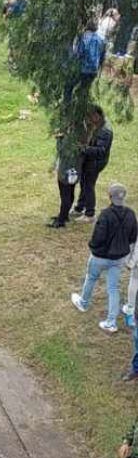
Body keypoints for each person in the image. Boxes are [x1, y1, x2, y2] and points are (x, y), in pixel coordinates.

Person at [72, 184, 137, 332]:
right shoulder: (131, 214)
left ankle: (83, 303)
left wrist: (93, 247)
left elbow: (98, 237)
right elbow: (133, 237)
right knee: (113, 288)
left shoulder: (105, 214)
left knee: (91, 278)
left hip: (100, 256)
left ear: (110, 196)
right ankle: (111, 322)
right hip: (119, 258)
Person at [73, 105, 114, 221]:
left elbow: (101, 151)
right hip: (90, 160)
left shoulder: (105, 131)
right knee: (84, 183)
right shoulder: (97, 125)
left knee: (88, 185)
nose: (88, 119)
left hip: (96, 162)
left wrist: (83, 149)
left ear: (97, 115)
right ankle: (79, 207)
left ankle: (90, 213)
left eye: (90, 116)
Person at [48, 126, 83, 229]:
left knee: (65, 195)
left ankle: (61, 220)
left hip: (67, 170)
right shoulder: (80, 135)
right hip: (73, 169)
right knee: (69, 192)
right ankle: (64, 214)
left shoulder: (70, 139)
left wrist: (59, 138)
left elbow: (62, 151)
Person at [68, 22, 106, 101]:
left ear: (87, 28)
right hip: (94, 70)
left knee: (69, 86)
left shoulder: (84, 37)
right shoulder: (101, 40)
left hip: (83, 68)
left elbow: (80, 53)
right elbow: (102, 57)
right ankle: (81, 105)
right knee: (83, 90)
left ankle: (67, 104)